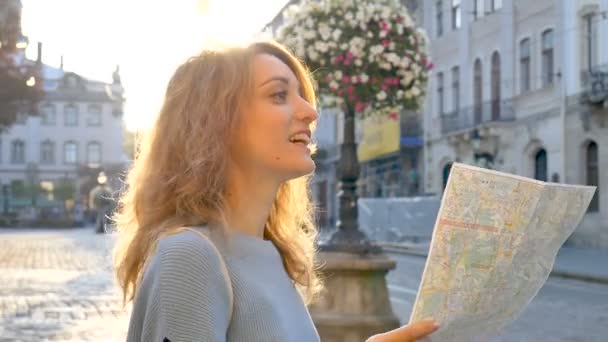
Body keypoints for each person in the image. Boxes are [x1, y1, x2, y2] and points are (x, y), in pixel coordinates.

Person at [113, 40, 439, 342]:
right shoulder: (190, 256)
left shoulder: (270, 255)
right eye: (279, 95)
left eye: (301, 95)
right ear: (216, 123)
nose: (311, 112)